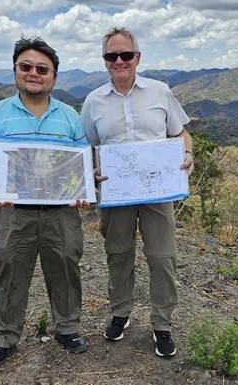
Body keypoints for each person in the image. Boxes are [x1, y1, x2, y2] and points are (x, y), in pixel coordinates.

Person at [0, 36, 89, 370]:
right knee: (9, 270)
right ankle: (3, 338)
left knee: (66, 267)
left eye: (42, 69)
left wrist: (80, 188)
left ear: (54, 76)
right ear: (15, 71)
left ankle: (67, 328)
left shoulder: (69, 117)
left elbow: (79, 165)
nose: (34, 73)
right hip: (12, 212)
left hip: (61, 213)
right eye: (27, 67)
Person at [80, 27, 194, 358]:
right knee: (118, 254)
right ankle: (120, 313)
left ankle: (162, 324)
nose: (119, 61)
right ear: (104, 61)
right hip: (116, 194)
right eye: (111, 56)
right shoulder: (93, 102)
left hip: (158, 192)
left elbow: (181, 134)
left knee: (162, 257)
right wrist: (92, 172)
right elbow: (86, 147)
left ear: (137, 57)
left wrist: (187, 154)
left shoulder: (160, 92)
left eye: (125, 54)